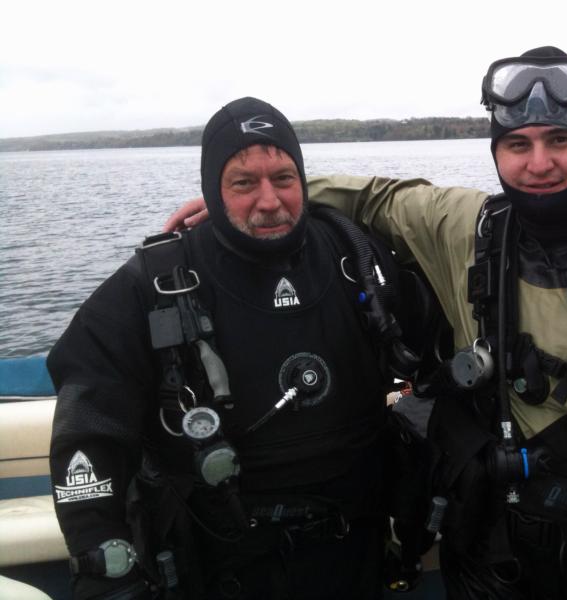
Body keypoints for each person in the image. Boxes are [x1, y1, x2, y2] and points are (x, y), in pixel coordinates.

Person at [167, 48, 567, 600]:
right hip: (495, 550)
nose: (538, 164)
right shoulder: (466, 227)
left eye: (560, 141)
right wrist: (266, 198)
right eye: (517, 145)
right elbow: (379, 198)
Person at [48, 96, 436, 600]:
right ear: (213, 187)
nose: (269, 201)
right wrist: (98, 550)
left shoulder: (358, 260)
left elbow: (439, 352)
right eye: (244, 183)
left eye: (284, 178)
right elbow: (88, 419)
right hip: (219, 559)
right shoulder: (155, 284)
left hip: (354, 551)